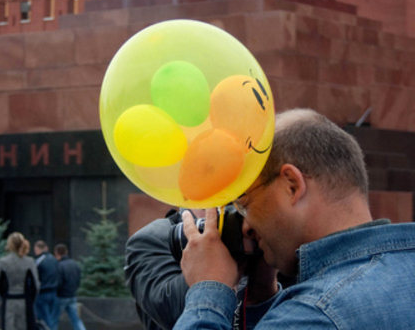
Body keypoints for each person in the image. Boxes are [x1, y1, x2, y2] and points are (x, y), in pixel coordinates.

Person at [174, 108, 415, 329]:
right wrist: (261, 297)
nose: (246, 227)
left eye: (244, 203)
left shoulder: (315, 314)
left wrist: (208, 291)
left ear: (292, 185)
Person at [125, 210, 278, 330]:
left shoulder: (268, 241)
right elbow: (172, 313)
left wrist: (264, 285)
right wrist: (214, 268)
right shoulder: (155, 238)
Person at [0, 232, 40, 330]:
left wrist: (4, 296)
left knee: (9, 325)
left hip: (9, 300)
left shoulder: (3, 262)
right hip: (25, 300)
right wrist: (30, 299)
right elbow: (35, 285)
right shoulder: (29, 261)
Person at [54, 244, 86, 330]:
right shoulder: (74, 264)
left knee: (54, 320)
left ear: (57, 253)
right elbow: (78, 279)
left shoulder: (59, 265)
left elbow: (59, 283)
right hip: (72, 295)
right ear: (66, 252)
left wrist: (57, 292)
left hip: (62, 296)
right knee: (76, 320)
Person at [34, 240, 59, 330]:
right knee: (52, 318)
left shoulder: (39, 261)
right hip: (54, 292)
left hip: (43, 292)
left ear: (37, 249)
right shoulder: (54, 259)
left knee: (43, 319)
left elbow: (34, 276)